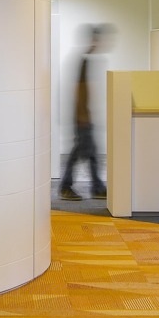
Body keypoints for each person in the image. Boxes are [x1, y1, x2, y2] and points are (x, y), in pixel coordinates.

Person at [59, 23, 113, 200]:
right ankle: (66, 187)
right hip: (82, 117)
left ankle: (96, 187)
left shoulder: (87, 60)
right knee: (81, 153)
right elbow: (78, 90)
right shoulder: (83, 61)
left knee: (90, 153)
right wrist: (83, 116)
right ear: (94, 40)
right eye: (100, 40)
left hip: (84, 116)